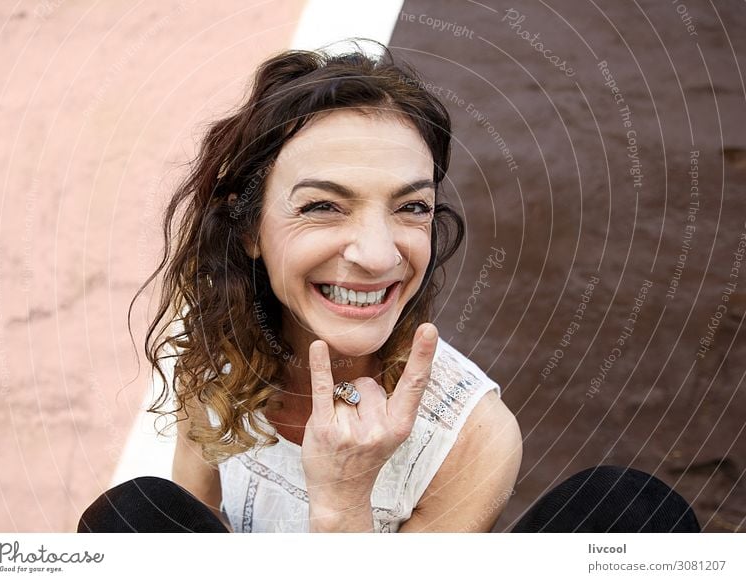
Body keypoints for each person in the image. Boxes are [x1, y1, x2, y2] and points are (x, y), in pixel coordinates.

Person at [78, 40, 699, 533]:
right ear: (247, 229)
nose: (377, 256)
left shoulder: (472, 437)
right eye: (322, 206)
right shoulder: (215, 353)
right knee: (136, 515)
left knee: (633, 513)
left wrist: (344, 501)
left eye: (411, 208)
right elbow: (194, 513)